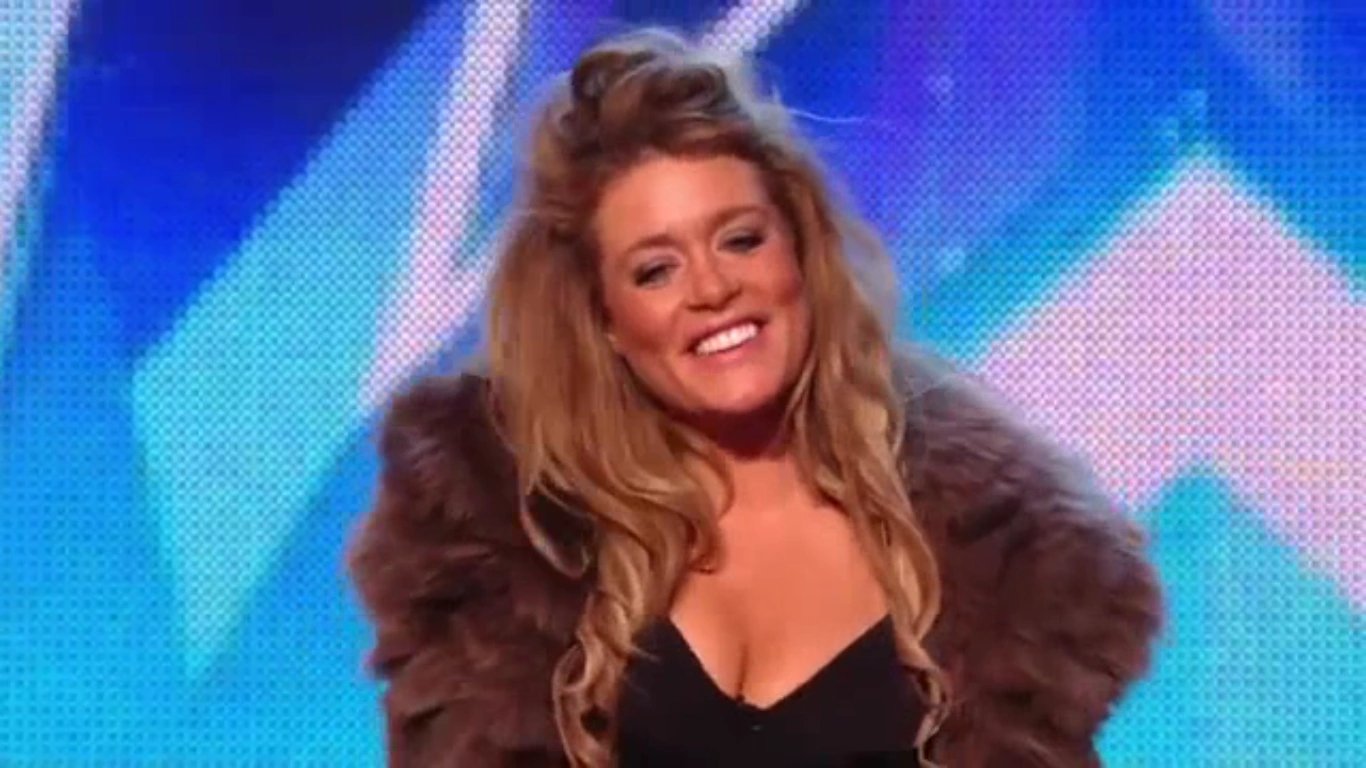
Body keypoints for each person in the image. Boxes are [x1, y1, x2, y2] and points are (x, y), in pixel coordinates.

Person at [347, 28, 1162, 768]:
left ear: (799, 250)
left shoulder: (997, 553)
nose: (712, 288)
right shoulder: (512, 549)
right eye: (655, 270)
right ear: (604, 320)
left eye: (740, 239)